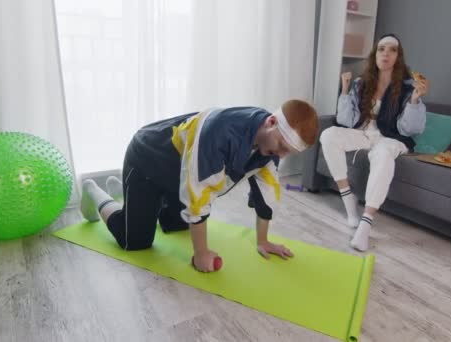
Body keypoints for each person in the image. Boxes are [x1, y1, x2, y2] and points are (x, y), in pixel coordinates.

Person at [80, 100, 319, 272]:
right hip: (147, 160)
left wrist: (263, 241)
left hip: (176, 173)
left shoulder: (269, 143)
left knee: (177, 226)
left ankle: (123, 190)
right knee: (135, 241)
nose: (281, 154)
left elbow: (267, 193)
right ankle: (95, 191)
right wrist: (201, 253)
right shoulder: (218, 132)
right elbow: (199, 193)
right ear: (271, 122)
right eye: (282, 145)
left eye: (288, 151)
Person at [319, 33, 430, 251]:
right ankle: (348, 200)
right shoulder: (362, 83)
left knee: (383, 153)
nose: (386, 53)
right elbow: (346, 120)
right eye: (381, 49)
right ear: (375, 54)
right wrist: (344, 88)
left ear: (398, 57)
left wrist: (415, 100)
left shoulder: (409, 88)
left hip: (391, 138)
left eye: (392, 50)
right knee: (329, 134)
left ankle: (365, 224)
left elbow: (410, 129)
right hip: (363, 133)